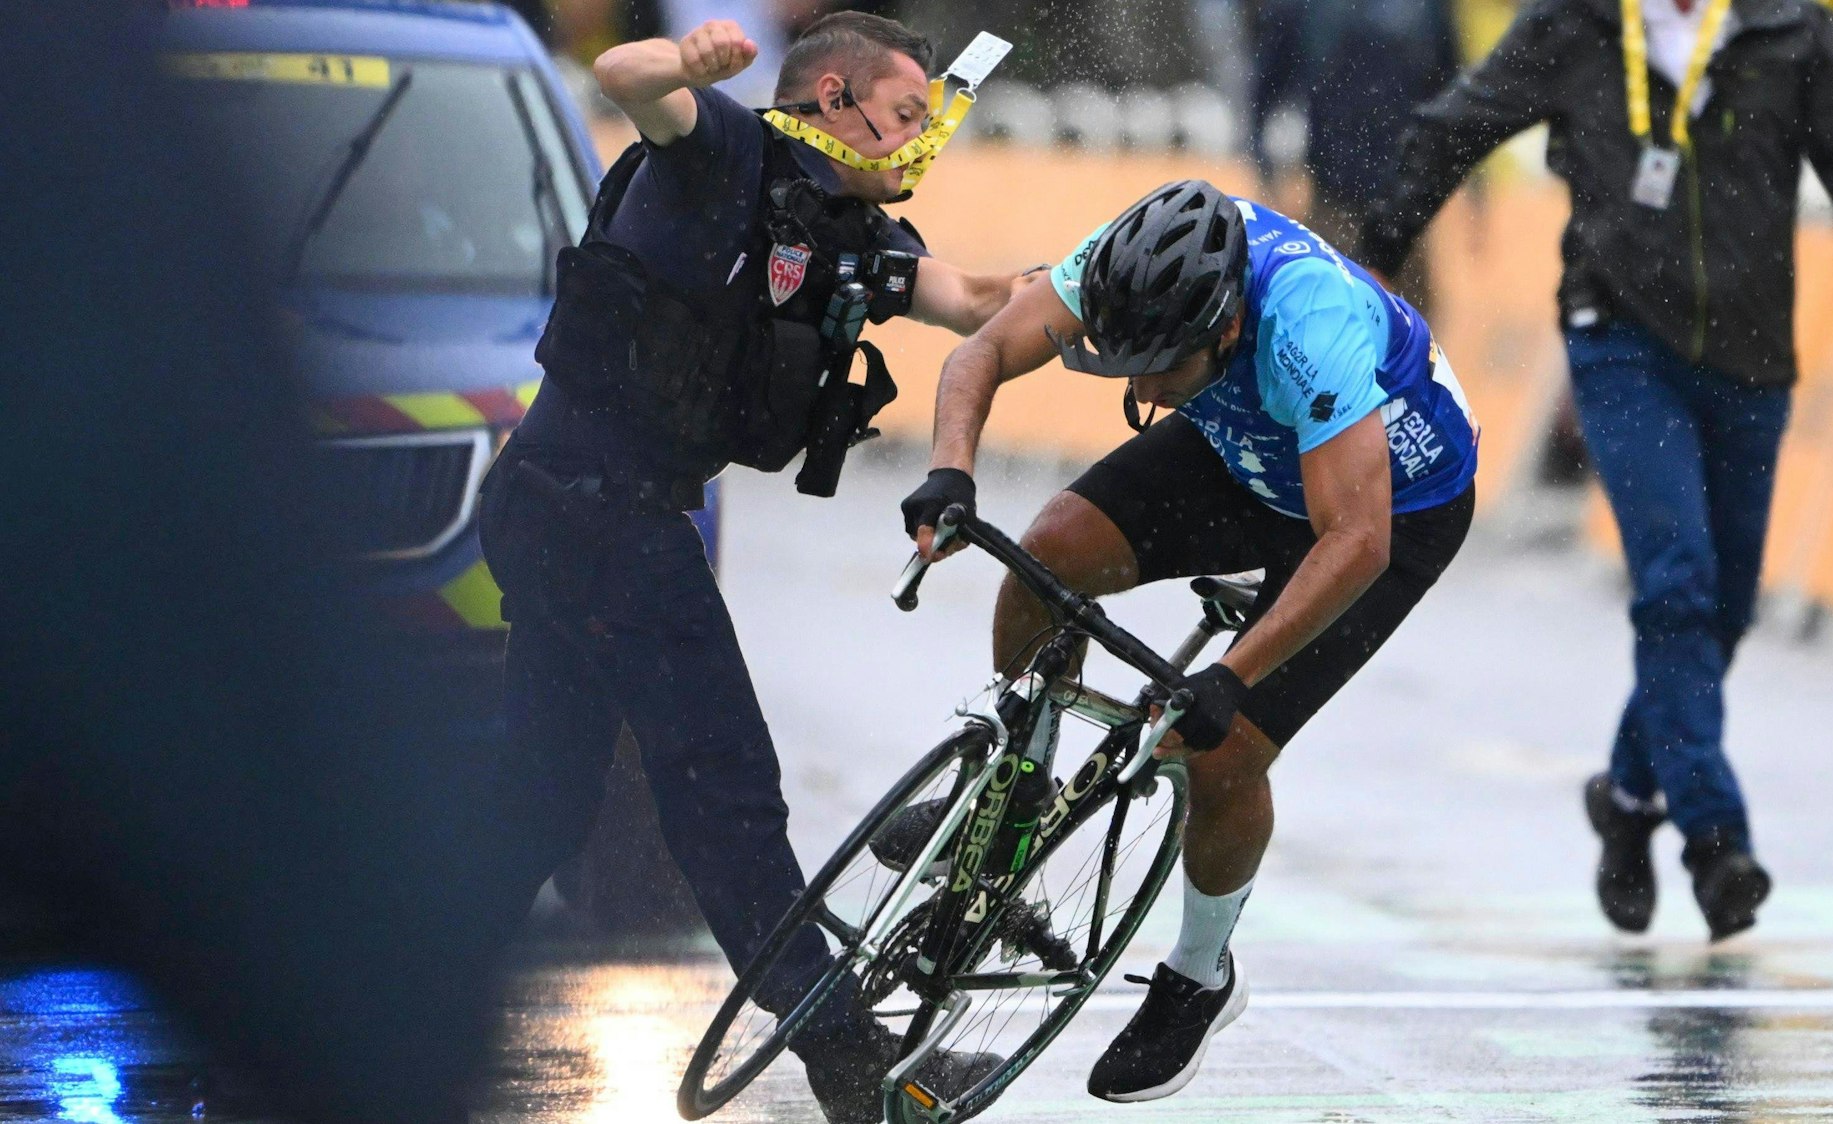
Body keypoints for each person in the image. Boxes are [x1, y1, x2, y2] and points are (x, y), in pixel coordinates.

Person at [479, 13, 1032, 1122]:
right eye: (909, 113)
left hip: (582, 518)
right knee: (724, 789)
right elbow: (623, 72)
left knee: (536, 803)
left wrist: (1109, 282)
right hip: (589, 511)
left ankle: (366, 987)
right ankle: (855, 1063)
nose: (923, 137)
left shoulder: (855, 232)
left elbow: (978, 300)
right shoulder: (725, 149)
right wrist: (686, 66)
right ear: (833, 98)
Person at [899, 180, 1479, 1103]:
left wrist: (1229, 675)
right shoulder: (1133, 262)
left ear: (1226, 331)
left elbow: (1356, 541)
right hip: (1247, 448)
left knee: (1224, 752)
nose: (1139, 392)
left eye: (1159, 370)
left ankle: (1200, 977)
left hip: (1385, 507)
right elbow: (981, 350)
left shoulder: (1309, 326)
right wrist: (948, 472)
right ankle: (1017, 788)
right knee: (1049, 557)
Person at [1357, 0, 1833, 942]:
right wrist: (1369, 260)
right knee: (1678, 583)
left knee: (1722, 607)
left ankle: (1626, 795)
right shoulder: (1575, 26)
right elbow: (1453, 128)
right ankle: (1714, 839)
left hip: (1753, 359)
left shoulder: (1789, 31)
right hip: (1619, 343)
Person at [1248, 0, 1462, 311]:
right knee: (1327, 327)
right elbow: (1264, 93)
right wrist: (1269, 178)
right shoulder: (1303, 9)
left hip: (1402, 215)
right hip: (1337, 208)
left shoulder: (1426, 9)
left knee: (1409, 336)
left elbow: (1454, 95)